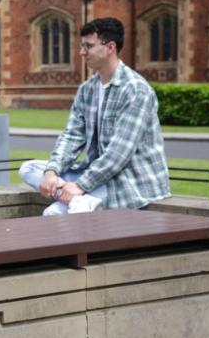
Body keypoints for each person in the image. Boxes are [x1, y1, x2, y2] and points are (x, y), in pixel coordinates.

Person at [19, 17, 170, 215]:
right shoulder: (87, 89)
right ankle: (82, 200)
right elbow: (72, 136)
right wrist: (51, 171)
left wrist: (81, 184)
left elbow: (119, 154)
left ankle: (81, 198)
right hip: (95, 175)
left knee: (52, 214)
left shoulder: (135, 90)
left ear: (110, 47)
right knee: (28, 168)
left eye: (88, 46)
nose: (82, 52)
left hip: (128, 181)